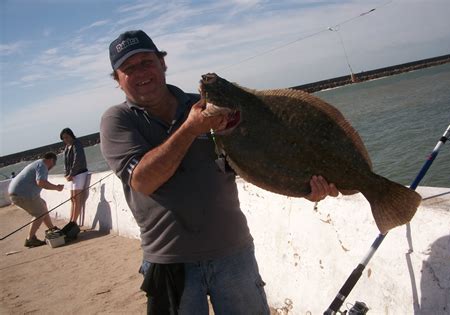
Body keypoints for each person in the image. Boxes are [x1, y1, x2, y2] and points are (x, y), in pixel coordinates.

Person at [100, 30, 339, 314]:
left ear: (163, 63)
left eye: (146, 62)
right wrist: (190, 129)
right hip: (170, 261)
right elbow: (142, 180)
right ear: (117, 79)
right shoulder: (118, 121)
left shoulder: (205, 106)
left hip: (234, 252)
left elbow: (256, 157)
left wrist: (304, 186)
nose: (140, 72)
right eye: (128, 68)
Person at [8, 152, 64, 248]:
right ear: (51, 160)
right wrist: (57, 188)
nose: (52, 167)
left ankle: (51, 228)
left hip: (17, 193)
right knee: (39, 213)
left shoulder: (38, 163)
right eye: (53, 164)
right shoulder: (43, 166)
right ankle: (30, 239)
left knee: (43, 204)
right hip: (23, 194)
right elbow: (41, 183)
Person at [60, 127, 88, 224]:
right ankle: (71, 220)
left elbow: (78, 160)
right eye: (63, 138)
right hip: (72, 175)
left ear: (71, 135)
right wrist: (66, 173)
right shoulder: (67, 147)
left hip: (80, 173)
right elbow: (65, 162)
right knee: (72, 198)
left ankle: (74, 222)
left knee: (77, 198)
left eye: (67, 137)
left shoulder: (77, 144)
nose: (65, 140)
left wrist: (71, 173)